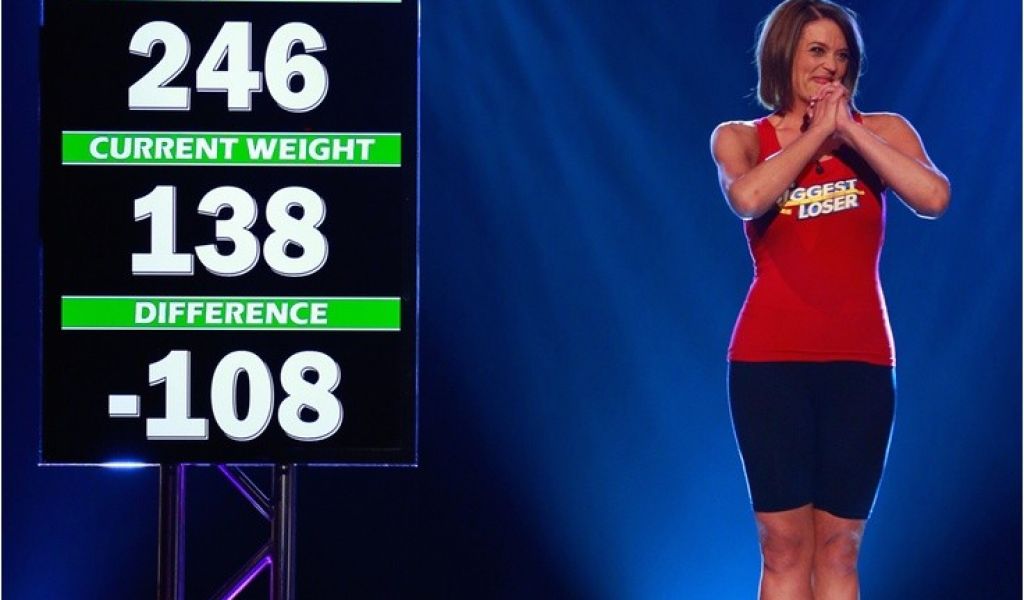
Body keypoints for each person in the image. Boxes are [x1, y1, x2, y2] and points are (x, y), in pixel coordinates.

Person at [709, 1, 949, 598]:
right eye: (817, 51)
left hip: (861, 360)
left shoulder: (883, 131)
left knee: (840, 549)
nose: (831, 66)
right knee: (783, 546)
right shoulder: (741, 137)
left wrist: (850, 132)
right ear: (784, 54)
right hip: (769, 363)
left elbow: (933, 197)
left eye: (842, 55)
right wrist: (817, 134)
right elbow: (748, 198)